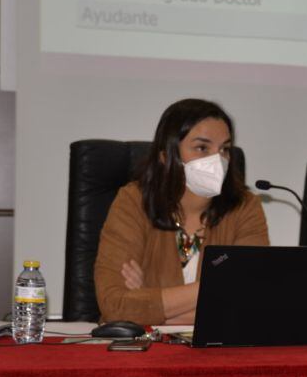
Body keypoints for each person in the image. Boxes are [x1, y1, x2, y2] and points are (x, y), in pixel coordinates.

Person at [94, 99, 269, 325]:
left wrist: (149, 304)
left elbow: (251, 306)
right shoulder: (134, 202)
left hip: (215, 352)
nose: (217, 160)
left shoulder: (245, 207)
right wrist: (221, 286)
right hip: (146, 353)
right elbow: (114, 305)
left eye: (224, 149)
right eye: (202, 148)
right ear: (166, 155)